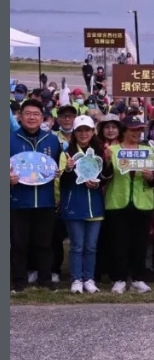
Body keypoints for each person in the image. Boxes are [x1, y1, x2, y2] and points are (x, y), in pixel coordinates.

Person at [10, 98, 63, 292]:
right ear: (20, 116)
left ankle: (45, 280)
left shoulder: (52, 140)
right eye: (28, 114)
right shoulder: (9, 138)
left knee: (44, 243)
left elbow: (59, 165)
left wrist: (58, 171)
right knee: (18, 244)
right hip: (17, 201)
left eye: (36, 114)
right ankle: (19, 282)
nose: (32, 117)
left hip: (45, 201)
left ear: (43, 118)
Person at [104, 115, 154, 294]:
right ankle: (119, 279)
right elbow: (104, 176)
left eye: (140, 130)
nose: (137, 133)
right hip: (118, 202)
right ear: (124, 131)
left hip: (142, 202)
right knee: (118, 243)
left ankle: (137, 278)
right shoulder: (112, 150)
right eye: (133, 129)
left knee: (140, 243)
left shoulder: (148, 150)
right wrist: (106, 161)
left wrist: (152, 178)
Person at [59, 115, 107, 294]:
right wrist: (69, 169)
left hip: (95, 205)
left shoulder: (100, 151)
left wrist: (98, 182)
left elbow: (105, 176)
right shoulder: (66, 152)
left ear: (93, 131)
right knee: (77, 246)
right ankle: (76, 279)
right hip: (74, 205)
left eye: (87, 130)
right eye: (79, 130)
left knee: (91, 246)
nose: (83, 133)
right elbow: (62, 181)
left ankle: (89, 278)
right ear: (74, 133)